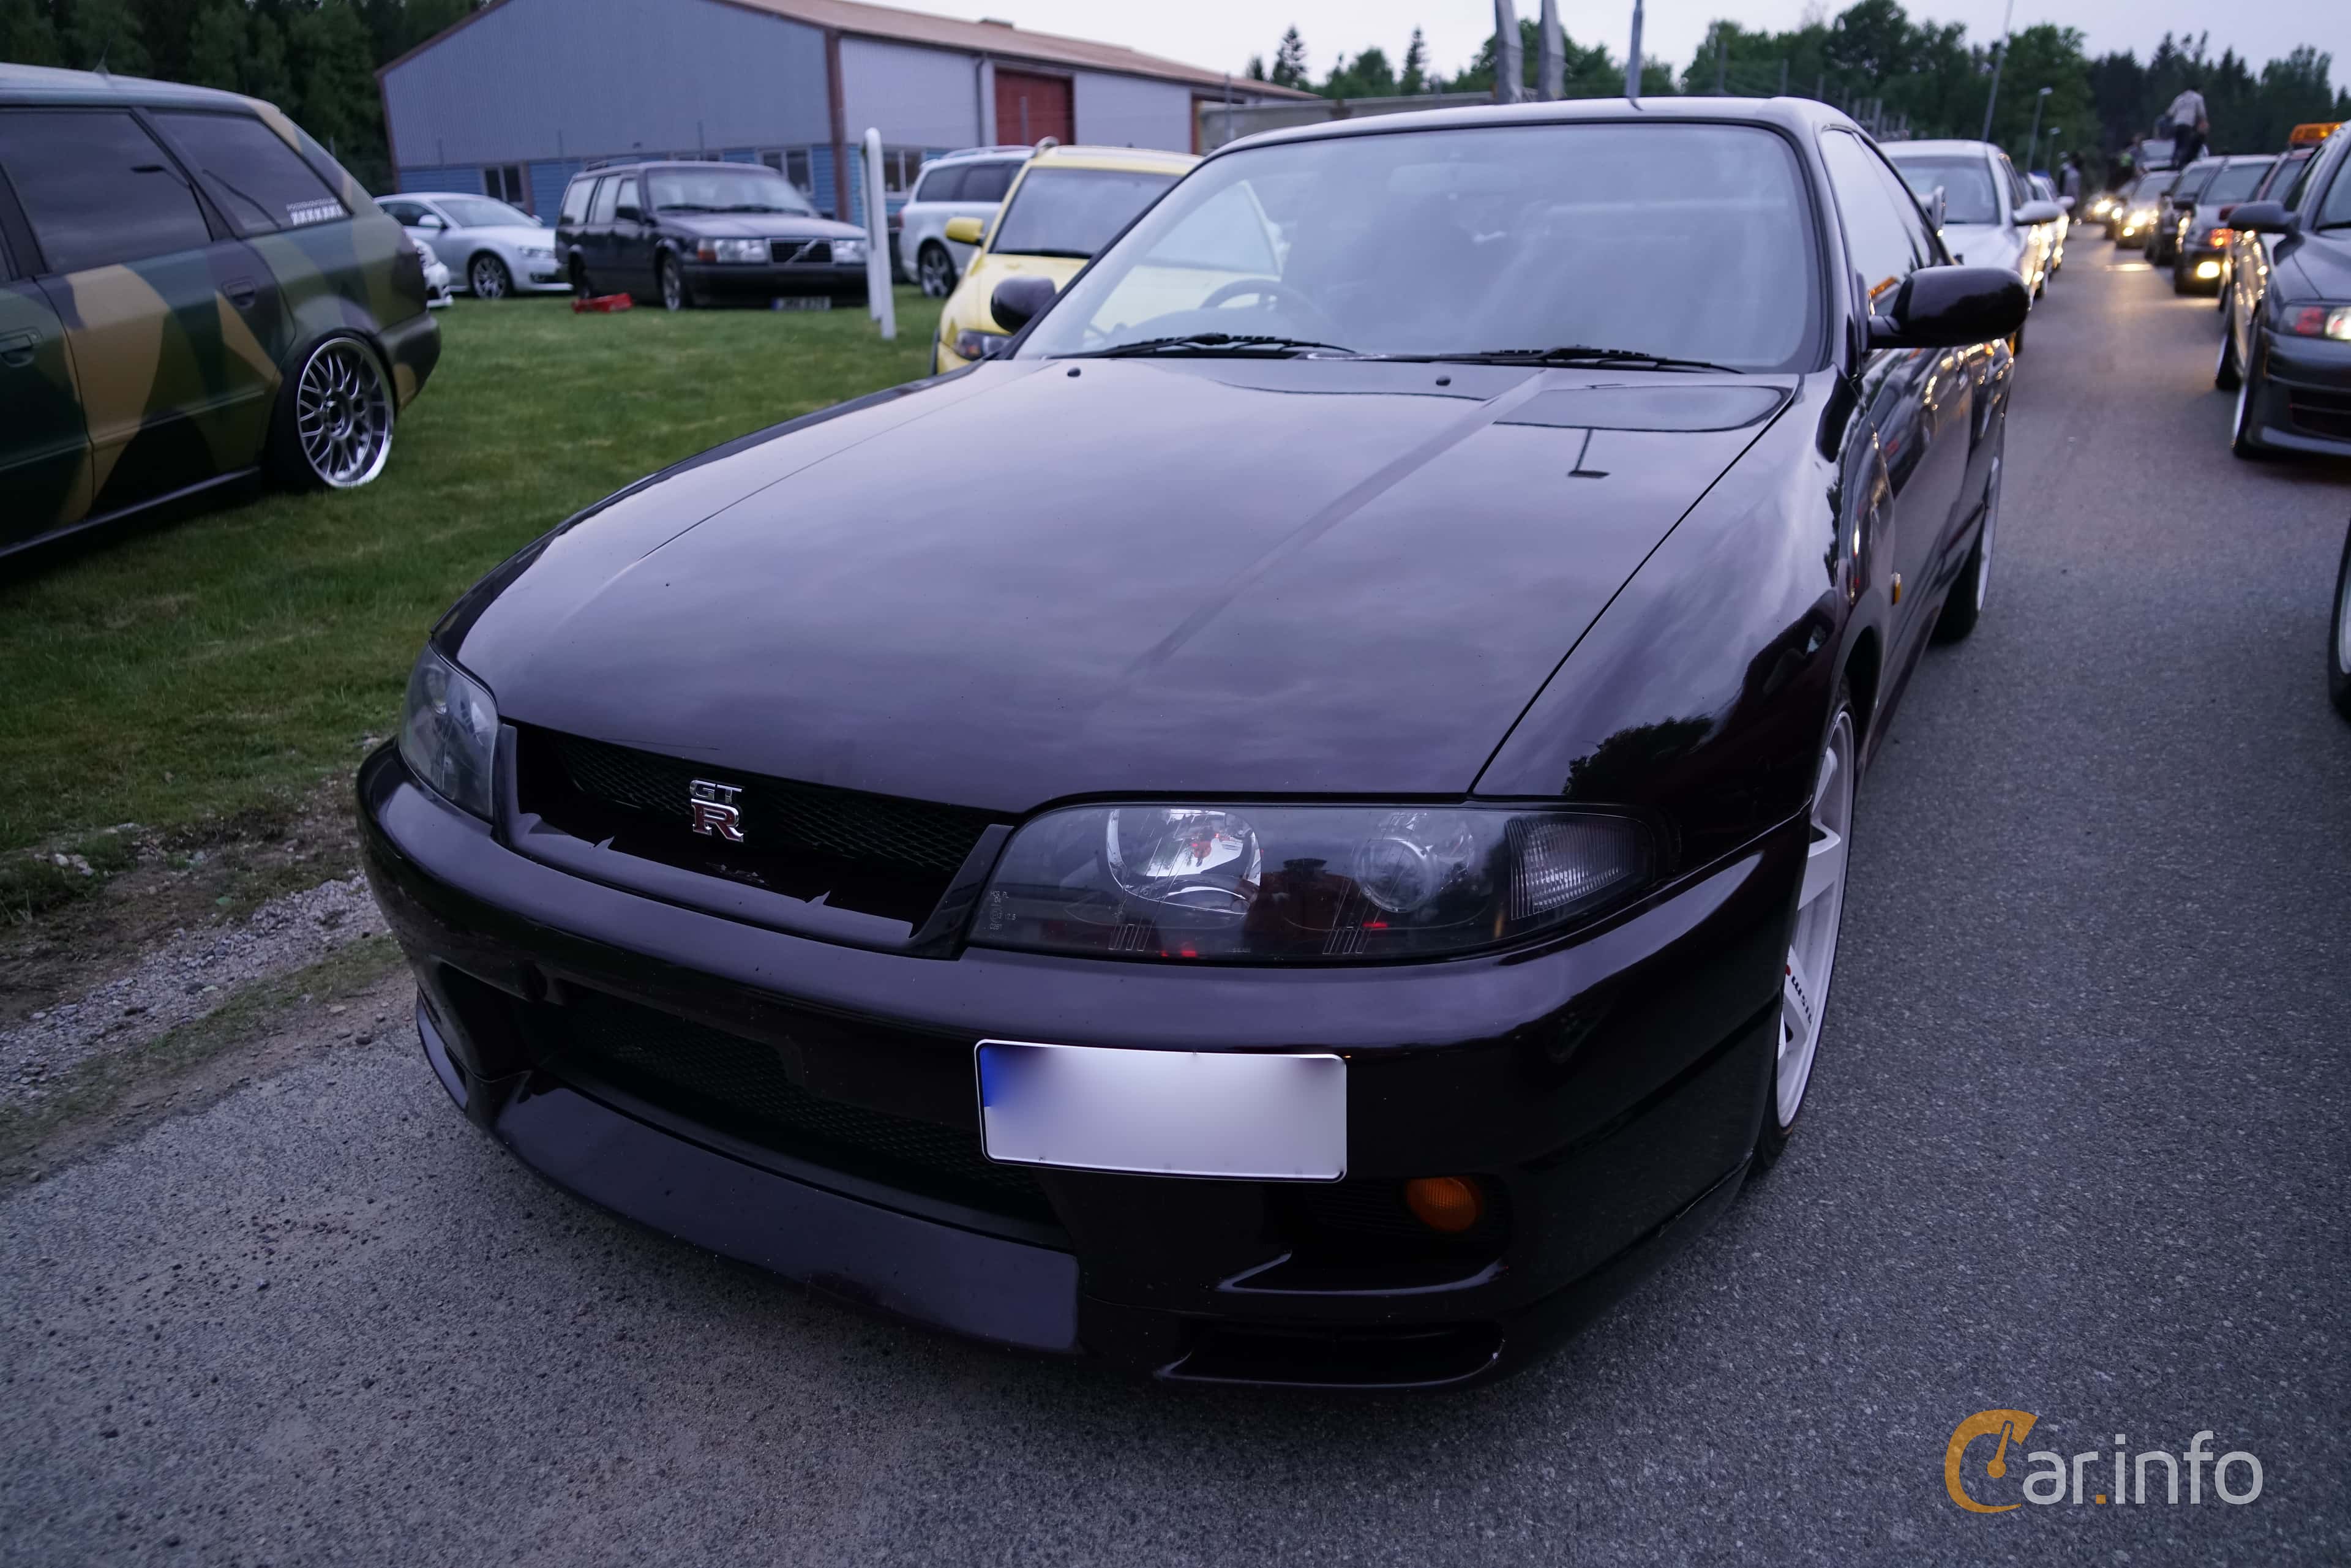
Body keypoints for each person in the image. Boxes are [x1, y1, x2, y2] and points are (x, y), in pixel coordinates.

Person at [2164, 84, 2210, 164]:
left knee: (2178, 146)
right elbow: (2202, 113)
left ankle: (2174, 162)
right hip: (2187, 125)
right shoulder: (2198, 98)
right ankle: (2182, 164)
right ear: (2198, 91)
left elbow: (2170, 113)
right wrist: (2204, 124)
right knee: (2186, 146)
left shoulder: (2180, 98)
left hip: (2177, 124)